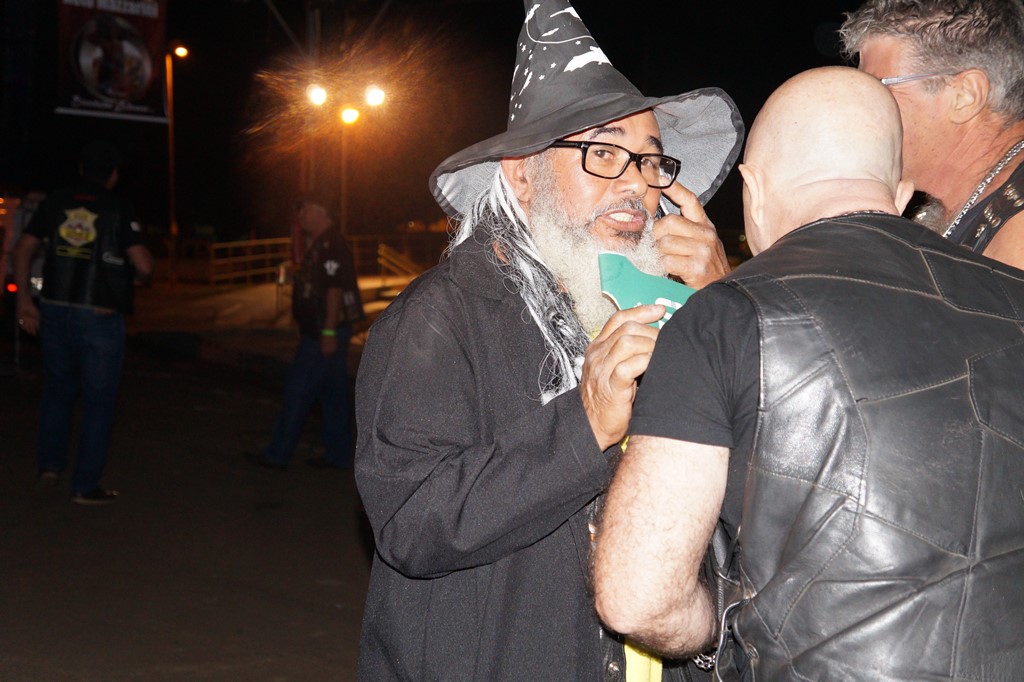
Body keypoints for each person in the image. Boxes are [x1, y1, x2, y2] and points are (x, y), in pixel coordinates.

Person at [593, 66, 1024, 681]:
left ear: (752, 189)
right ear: (902, 193)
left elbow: (637, 597)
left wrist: (722, 634)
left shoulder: (721, 320)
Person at [353, 0, 744, 679]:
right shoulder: (440, 318)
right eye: (604, 153)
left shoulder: (669, 308)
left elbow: (751, 490)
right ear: (521, 173)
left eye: (652, 162)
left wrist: (725, 309)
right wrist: (584, 425)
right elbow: (412, 523)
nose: (637, 184)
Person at [12, 140, 153, 504]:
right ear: (114, 175)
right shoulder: (119, 207)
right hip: (99, 314)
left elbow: (22, 249)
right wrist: (134, 277)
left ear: (81, 169)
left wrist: (25, 302)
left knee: (58, 390)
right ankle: (85, 486)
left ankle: (49, 466)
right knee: (99, 402)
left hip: (54, 309)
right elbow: (143, 264)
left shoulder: (55, 201)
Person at [839, 0, 1024, 269]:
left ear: (965, 96)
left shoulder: (1016, 240)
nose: (859, 109)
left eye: (877, 88)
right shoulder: (959, 204)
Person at [246, 197, 363, 471]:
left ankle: (277, 454)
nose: (300, 216)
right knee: (333, 395)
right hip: (325, 330)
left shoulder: (331, 245)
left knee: (298, 390)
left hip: (323, 332)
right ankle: (338, 454)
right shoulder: (320, 243)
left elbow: (334, 290)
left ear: (321, 212)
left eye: (306, 210)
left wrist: (328, 331)